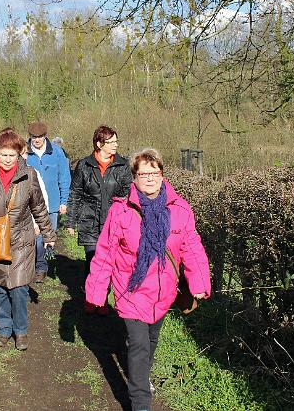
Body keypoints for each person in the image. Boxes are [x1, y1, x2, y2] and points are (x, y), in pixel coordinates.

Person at [85, 148, 211, 411]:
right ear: (135, 177)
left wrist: (199, 283)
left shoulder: (180, 209)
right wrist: (97, 293)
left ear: (162, 174)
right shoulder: (121, 211)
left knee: (151, 340)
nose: (150, 178)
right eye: (144, 173)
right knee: (140, 345)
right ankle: (141, 402)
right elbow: (105, 253)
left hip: (163, 292)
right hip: (130, 290)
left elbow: (191, 246)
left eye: (154, 172)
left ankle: (140, 374)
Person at [0, 128, 54, 351]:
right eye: (3, 155)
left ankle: (20, 331)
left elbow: (39, 208)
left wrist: (48, 235)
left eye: (12, 155)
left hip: (21, 240)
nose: (7, 160)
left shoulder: (29, 175)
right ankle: (4, 329)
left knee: (19, 288)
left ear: (19, 154)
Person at [67, 125, 132, 303]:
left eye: (116, 141)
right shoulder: (84, 165)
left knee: (109, 262)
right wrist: (71, 222)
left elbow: (128, 195)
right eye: (110, 142)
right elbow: (75, 193)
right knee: (93, 259)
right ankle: (91, 296)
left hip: (113, 222)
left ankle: (102, 298)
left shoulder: (123, 165)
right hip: (89, 220)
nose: (115, 145)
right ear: (98, 143)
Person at [25, 121, 71, 283]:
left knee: (46, 236)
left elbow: (64, 177)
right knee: (33, 235)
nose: (37, 140)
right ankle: (35, 266)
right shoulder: (24, 153)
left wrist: (64, 200)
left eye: (40, 137)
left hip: (51, 203)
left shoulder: (57, 153)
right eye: (34, 137)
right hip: (29, 204)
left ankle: (41, 267)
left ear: (45, 136)